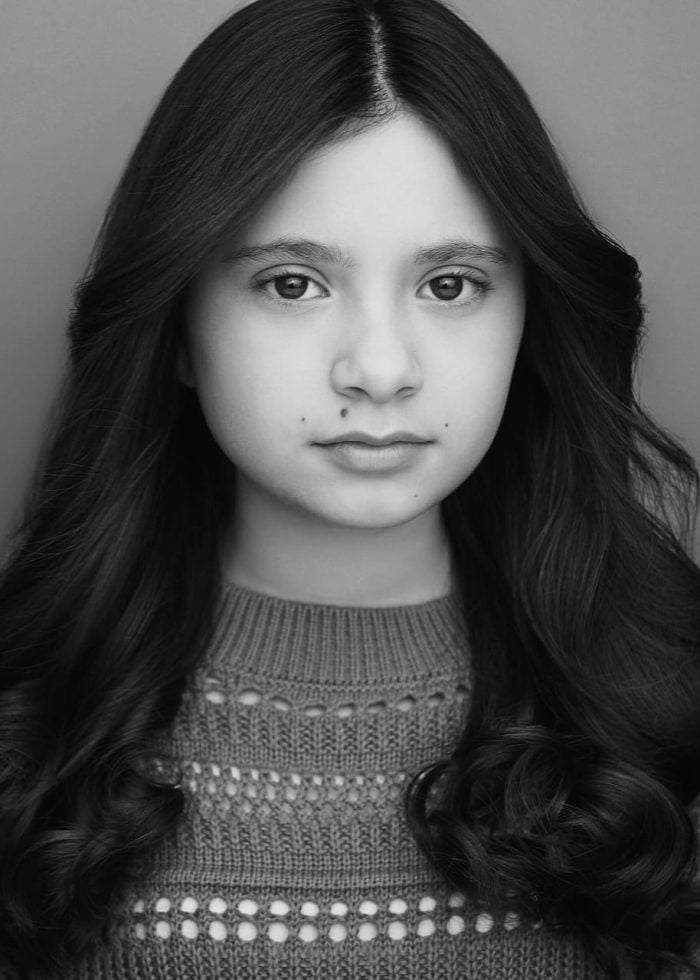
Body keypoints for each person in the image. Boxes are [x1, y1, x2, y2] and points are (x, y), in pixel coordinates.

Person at [0, 0, 699, 977]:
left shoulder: (669, 720)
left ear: (526, 323)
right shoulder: (31, 738)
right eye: (292, 283)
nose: (379, 367)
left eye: (450, 284)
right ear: (178, 330)